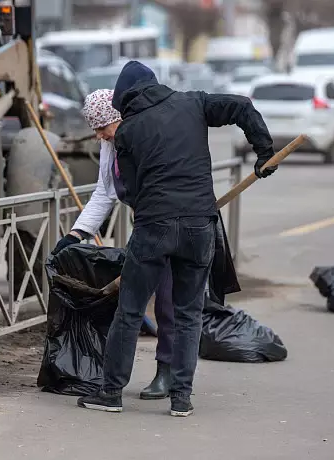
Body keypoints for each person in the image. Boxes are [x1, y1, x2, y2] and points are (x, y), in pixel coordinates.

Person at [76, 61, 276, 417]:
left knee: (130, 310)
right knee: (189, 314)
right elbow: (243, 106)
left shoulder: (128, 131)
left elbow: (133, 190)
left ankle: (110, 394)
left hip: (154, 226)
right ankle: (181, 398)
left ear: (125, 99)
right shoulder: (194, 102)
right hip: (201, 226)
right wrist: (263, 152)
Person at [52, 88, 175, 400]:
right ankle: (113, 385)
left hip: (172, 223)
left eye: (101, 128)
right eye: (94, 130)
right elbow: (105, 191)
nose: (98, 136)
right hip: (145, 225)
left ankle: (167, 373)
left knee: (168, 301)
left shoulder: (147, 136)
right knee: (130, 304)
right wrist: (76, 234)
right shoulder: (111, 143)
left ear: (118, 119)